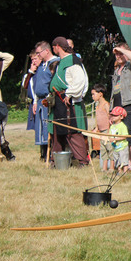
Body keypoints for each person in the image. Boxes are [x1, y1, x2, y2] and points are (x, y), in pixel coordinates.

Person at [49, 36, 89, 167]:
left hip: (67, 101)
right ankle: (57, 160)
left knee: (72, 131)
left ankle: (82, 161)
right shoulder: (61, 62)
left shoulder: (72, 60)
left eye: (53, 48)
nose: (53, 50)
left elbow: (80, 80)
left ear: (57, 47)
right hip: (58, 101)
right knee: (57, 131)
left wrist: (70, 94)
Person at [111, 43, 131, 171]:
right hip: (118, 105)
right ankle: (127, 165)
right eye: (116, 54)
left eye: (121, 53)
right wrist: (111, 111)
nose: (118, 56)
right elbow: (114, 91)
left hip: (130, 103)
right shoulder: (116, 70)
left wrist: (120, 49)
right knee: (121, 134)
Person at [32, 41, 58, 161]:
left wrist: (49, 98)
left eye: (39, 53)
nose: (37, 55)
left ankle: (52, 154)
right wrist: (35, 101)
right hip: (40, 100)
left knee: (49, 127)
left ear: (47, 51)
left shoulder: (55, 63)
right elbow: (37, 84)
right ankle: (43, 154)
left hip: (49, 100)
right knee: (41, 128)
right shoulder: (42, 65)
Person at [23, 50, 48, 160]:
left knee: (45, 126)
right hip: (35, 102)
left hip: (44, 101)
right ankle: (42, 153)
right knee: (39, 128)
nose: (34, 62)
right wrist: (30, 72)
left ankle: (48, 152)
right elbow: (25, 86)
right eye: (32, 60)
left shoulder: (44, 70)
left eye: (35, 59)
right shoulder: (31, 74)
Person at [91, 84, 113, 172]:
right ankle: (104, 168)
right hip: (101, 132)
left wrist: (109, 130)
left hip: (107, 131)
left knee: (109, 149)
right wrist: (96, 128)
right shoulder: (97, 106)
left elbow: (110, 118)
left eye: (94, 94)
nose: (92, 96)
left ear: (100, 94)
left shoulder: (106, 105)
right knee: (103, 149)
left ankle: (111, 167)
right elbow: (97, 119)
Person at [109, 106, 130, 172]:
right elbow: (110, 135)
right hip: (115, 147)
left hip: (122, 147)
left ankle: (125, 172)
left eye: (115, 115)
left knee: (124, 160)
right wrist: (110, 139)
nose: (113, 117)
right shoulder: (112, 126)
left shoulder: (122, 126)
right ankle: (119, 172)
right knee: (117, 161)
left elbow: (124, 136)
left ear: (121, 117)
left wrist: (115, 139)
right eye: (112, 115)